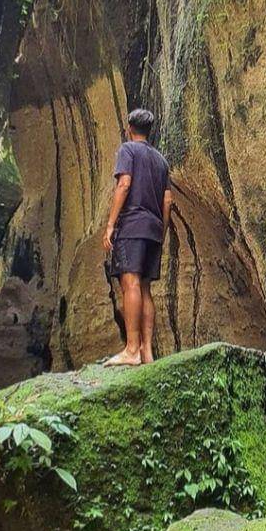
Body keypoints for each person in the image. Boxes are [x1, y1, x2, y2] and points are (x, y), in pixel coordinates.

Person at [102, 108, 172, 367]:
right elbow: (167, 200)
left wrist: (110, 224)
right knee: (144, 288)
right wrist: (160, 232)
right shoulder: (161, 161)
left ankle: (131, 350)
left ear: (129, 126)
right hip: (153, 229)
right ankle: (147, 352)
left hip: (132, 224)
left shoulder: (128, 150)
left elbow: (124, 183)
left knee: (129, 283)